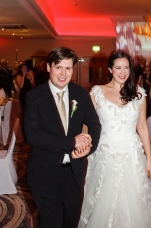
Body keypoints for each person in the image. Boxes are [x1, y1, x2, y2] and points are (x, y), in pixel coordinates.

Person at [78, 50, 151, 228]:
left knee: (133, 202)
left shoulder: (139, 94)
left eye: (126, 68)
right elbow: (87, 125)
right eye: (118, 67)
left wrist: (150, 160)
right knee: (101, 202)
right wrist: (83, 144)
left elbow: (142, 128)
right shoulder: (97, 93)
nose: (123, 72)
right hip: (104, 155)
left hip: (132, 155)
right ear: (110, 69)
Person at [24, 46, 101, 228]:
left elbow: (95, 124)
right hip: (45, 172)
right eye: (59, 67)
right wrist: (72, 142)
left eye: (68, 68)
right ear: (49, 67)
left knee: (70, 222)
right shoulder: (34, 96)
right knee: (51, 222)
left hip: (74, 171)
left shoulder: (81, 94)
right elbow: (32, 135)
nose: (63, 73)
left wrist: (89, 148)